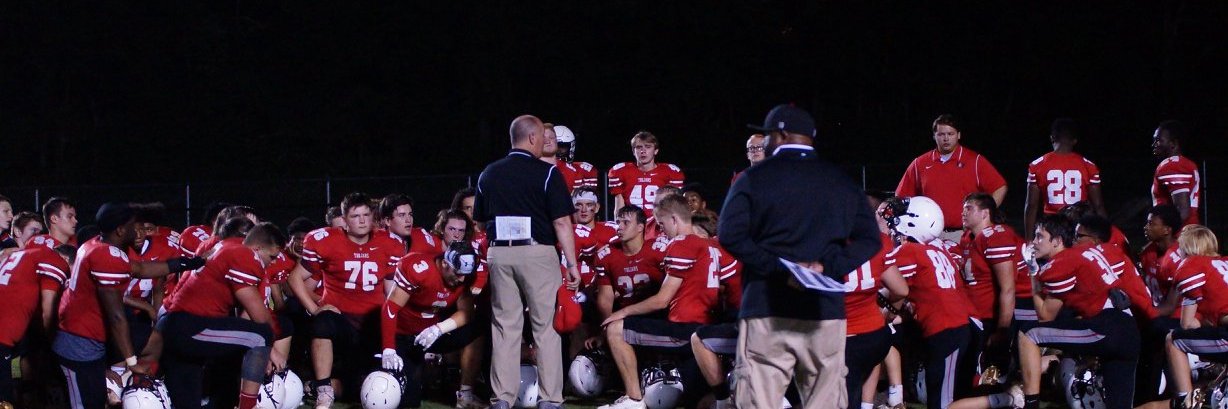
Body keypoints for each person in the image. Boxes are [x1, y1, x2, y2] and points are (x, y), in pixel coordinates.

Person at [719, 104, 881, 409]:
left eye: (767, 136)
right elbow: (870, 240)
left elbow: (729, 235)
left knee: (758, 401)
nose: (765, 142)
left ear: (780, 135)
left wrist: (780, 268)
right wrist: (825, 267)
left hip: (767, 304)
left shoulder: (754, 178)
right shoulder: (841, 180)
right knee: (825, 402)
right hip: (824, 308)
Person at [473, 114, 580, 409]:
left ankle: (502, 399)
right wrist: (572, 264)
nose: (545, 142)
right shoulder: (547, 172)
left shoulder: (488, 173)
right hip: (537, 253)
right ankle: (550, 399)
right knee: (545, 328)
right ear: (532, 137)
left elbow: (480, 222)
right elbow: (562, 222)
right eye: (542, 137)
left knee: (505, 328)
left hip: (500, 252)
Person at [54, 202, 203, 409]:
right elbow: (116, 317)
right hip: (80, 344)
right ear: (121, 230)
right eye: (134, 225)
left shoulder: (98, 244)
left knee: (152, 342)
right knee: (86, 405)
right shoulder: (106, 256)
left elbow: (140, 268)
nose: (139, 230)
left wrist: (190, 263)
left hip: (88, 335)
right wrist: (132, 363)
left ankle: (118, 383)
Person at [597, 195, 737, 409]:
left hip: (685, 330)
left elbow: (662, 300)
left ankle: (633, 399)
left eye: (661, 224)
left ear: (674, 219)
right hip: (710, 329)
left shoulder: (681, 243)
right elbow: (727, 286)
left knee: (616, 329)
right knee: (698, 402)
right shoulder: (712, 245)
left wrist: (622, 312)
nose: (661, 231)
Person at [152, 223, 288, 409]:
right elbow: (260, 319)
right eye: (271, 257)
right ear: (257, 248)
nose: (272, 262)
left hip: (172, 326)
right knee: (260, 335)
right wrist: (269, 349)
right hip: (190, 326)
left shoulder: (225, 245)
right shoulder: (245, 255)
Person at [291, 192, 408, 408]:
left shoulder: (390, 243)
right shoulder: (326, 241)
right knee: (322, 322)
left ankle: (318, 386)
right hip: (340, 320)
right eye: (355, 216)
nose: (362, 221)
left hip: (372, 323)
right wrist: (314, 309)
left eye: (366, 215)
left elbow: (392, 292)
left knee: (366, 388)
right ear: (344, 220)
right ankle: (324, 390)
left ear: (373, 217)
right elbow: (295, 278)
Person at [1018, 215, 1140, 409]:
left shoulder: (1061, 263)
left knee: (1028, 333)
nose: (1033, 242)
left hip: (1107, 327)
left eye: (1040, 236)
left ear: (1057, 241)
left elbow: (1045, 316)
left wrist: (1032, 270)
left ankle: (1030, 405)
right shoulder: (1086, 253)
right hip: (1129, 331)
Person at [379, 239, 484, 408]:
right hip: (405, 335)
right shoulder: (420, 269)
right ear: (444, 263)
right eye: (458, 273)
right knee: (409, 401)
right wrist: (388, 349)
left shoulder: (464, 277)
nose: (462, 278)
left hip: (431, 332)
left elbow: (467, 312)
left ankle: (465, 394)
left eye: (465, 274)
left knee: (477, 329)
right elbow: (390, 308)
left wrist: (439, 329)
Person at [895, 115, 1007, 242]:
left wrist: (985, 215)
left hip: (963, 235)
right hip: (928, 236)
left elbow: (1000, 188)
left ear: (958, 135)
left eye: (950, 134)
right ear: (934, 136)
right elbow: (901, 197)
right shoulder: (919, 163)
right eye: (941, 134)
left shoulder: (974, 161)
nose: (946, 138)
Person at [1162, 225, 1226, 409]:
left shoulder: (1193, 265)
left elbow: (1188, 324)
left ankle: (1187, 402)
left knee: (1173, 340)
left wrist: (1204, 323)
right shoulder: (1224, 263)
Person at [0, 244, 72, 404]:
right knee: (4, 400)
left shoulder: (23, 256)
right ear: (66, 260)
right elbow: (48, 311)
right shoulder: (56, 260)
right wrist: (52, 347)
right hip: (2, 336)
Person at [1024, 118, 1105, 240]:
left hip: (1051, 227)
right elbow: (1098, 206)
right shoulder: (1089, 166)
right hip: (1078, 227)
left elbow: (1031, 205)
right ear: (1074, 141)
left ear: (1052, 138)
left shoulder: (1037, 165)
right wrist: (1106, 236)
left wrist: (1029, 240)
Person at [607, 131, 686, 218]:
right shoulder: (621, 171)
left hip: (658, 221)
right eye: (639, 147)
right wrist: (619, 223)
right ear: (633, 151)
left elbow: (674, 206)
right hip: (632, 222)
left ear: (656, 151)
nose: (643, 151)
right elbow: (619, 207)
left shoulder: (670, 172)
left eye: (648, 147)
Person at [1150, 120, 1201, 226]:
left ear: (1173, 143)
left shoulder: (1171, 166)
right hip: (1190, 230)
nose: (1154, 145)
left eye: (1158, 140)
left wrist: (1164, 232)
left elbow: (1182, 211)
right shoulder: (1186, 163)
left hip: (1180, 233)